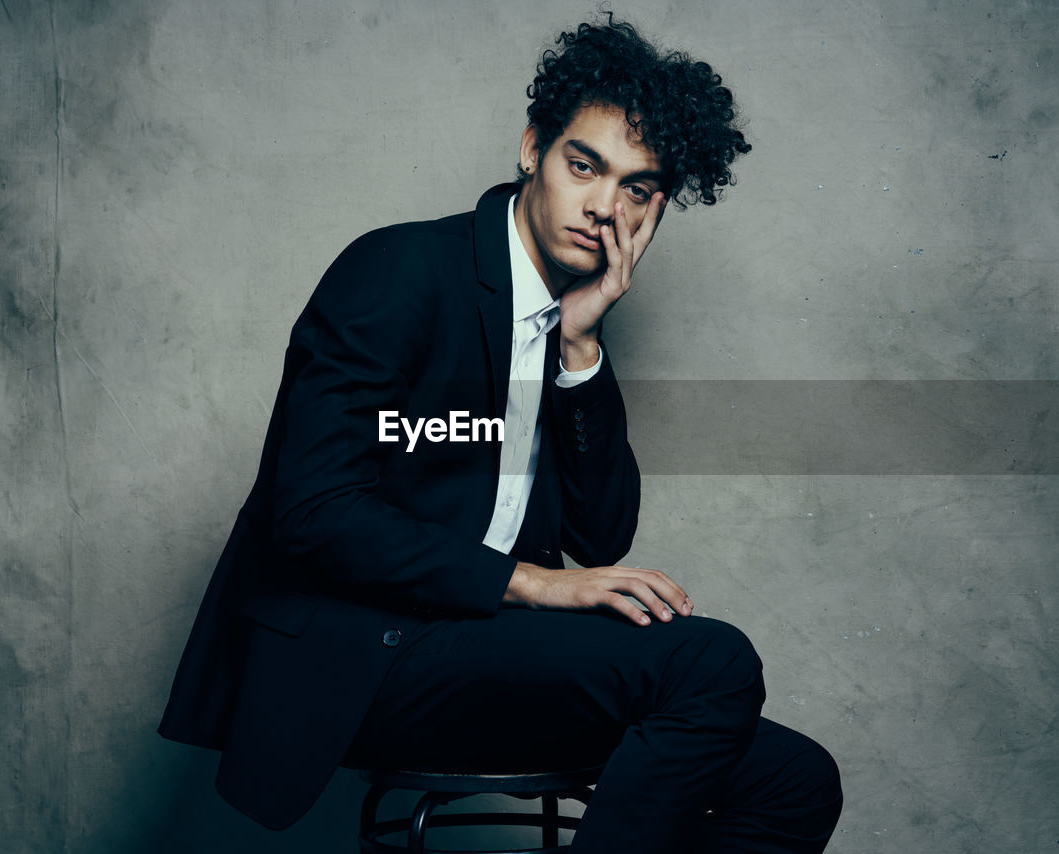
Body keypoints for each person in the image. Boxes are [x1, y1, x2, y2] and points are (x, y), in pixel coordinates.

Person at [159, 14, 843, 852]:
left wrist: (582, 349)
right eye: (583, 165)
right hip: (368, 660)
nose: (602, 207)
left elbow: (598, 537)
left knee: (796, 781)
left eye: (635, 187)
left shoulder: (565, 324)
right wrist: (526, 582)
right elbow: (315, 511)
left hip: (481, 656)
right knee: (712, 661)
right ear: (532, 149)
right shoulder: (400, 272)